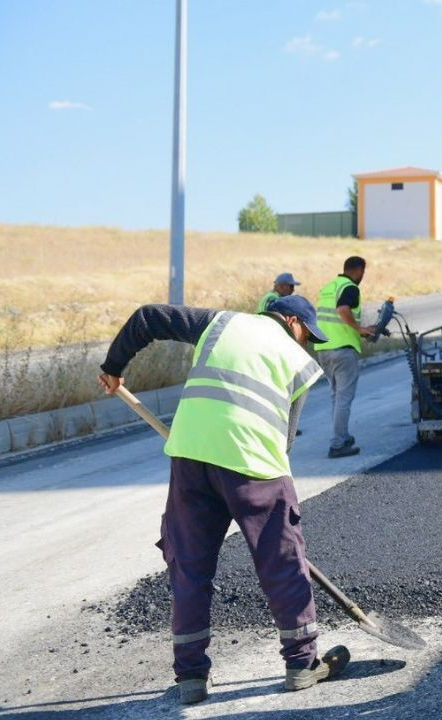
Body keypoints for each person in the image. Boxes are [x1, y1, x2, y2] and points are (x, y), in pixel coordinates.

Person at [96, 296, 349, 705]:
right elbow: (284, 441)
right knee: (282, 562)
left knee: (190, 568)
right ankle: (301, 664)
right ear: (290, 320)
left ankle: (191, 677)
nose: (308, 343)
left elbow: (146, 317)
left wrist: (113, 368)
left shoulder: (219, 324)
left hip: (191, 457)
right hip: (254, 465)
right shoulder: (296, 359)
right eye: (306, 332)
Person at [313, 256, 374, 458]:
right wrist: (360, 328)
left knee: (336, 396)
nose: (362, 277)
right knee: (344, 399)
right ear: (358, 270)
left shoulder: (329, 287)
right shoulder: (350, 287)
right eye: (362, 272)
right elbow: (342, 309)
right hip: (342, 350)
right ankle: (338, 444)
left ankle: (343, 435)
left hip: (323, 349)